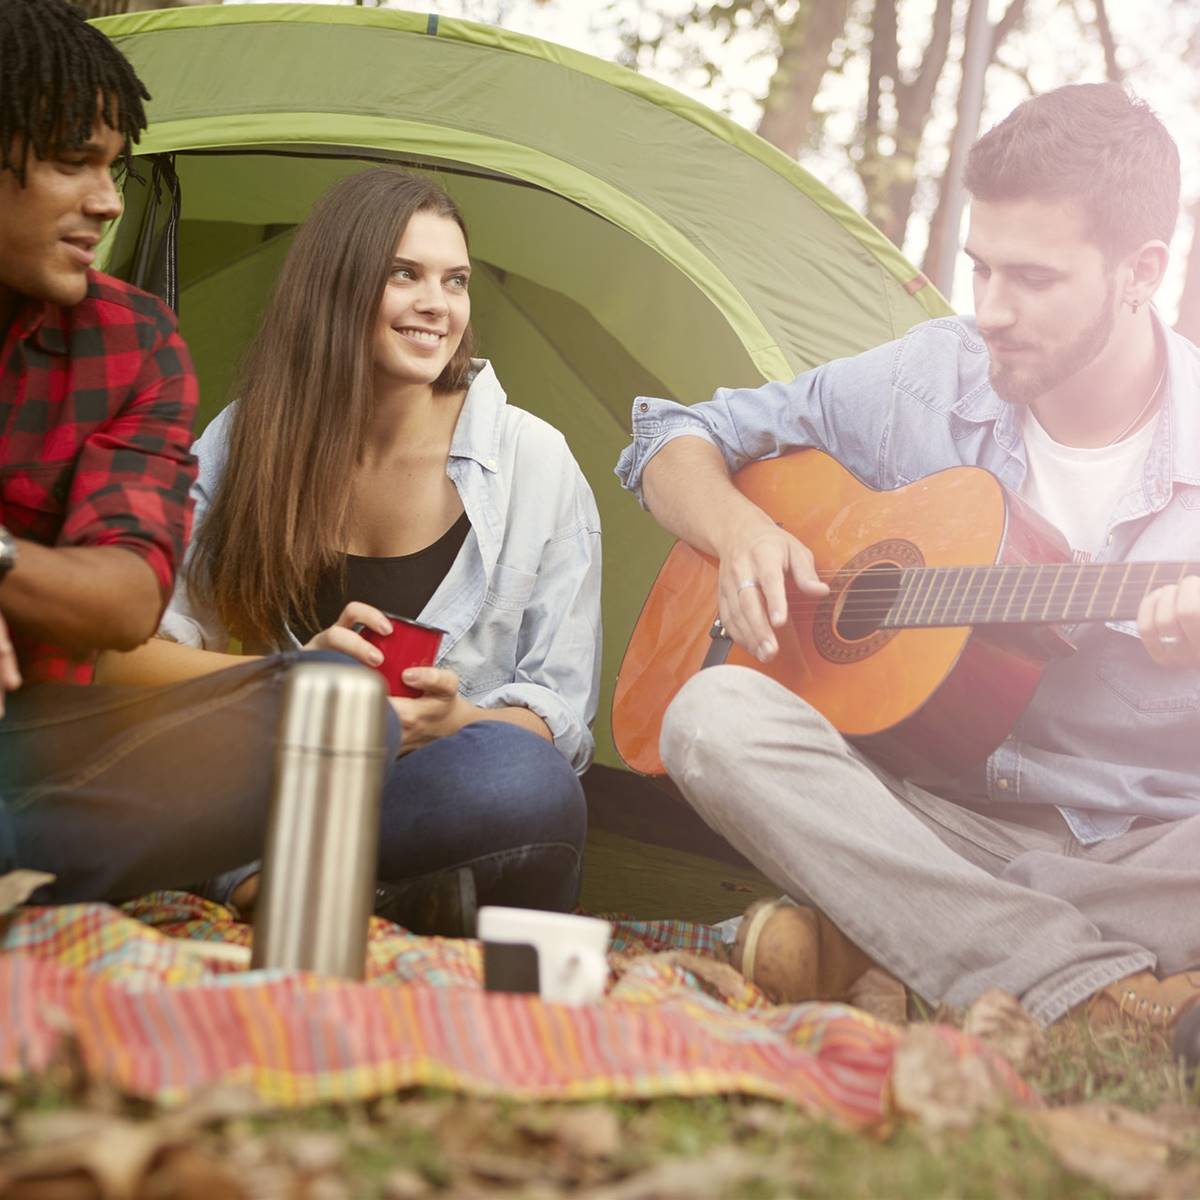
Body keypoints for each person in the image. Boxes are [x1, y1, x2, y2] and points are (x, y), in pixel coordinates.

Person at [616, 82, 1200, 1030]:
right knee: (709, 714)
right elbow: (672, 438)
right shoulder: (930, 377)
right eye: (983, 270)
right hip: (916, 824)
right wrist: (741, 531)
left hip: (1137, 853)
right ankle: (1093, 992)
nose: (993, 311)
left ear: (1140, 271)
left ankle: (891, 943)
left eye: (1035, 279)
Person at [99, 168, 601, 934]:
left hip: (441, 792)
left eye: (456, 281)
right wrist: (291, 680)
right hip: (283, 768)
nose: (438, 305)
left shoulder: (534, 459)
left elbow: (559, 714)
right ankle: (358, 896)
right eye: (406, 274)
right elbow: (144, 646)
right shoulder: (246, 439)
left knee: (525, 783)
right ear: (337, 283)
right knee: (119, 741)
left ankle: (266, 877)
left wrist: (457, 719)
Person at [0, 0, 324, 902]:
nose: (107, 203)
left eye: (115, 168)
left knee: (322, 703)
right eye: (74, 165)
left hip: (46, 740)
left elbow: (128, 597)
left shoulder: (133, 341)